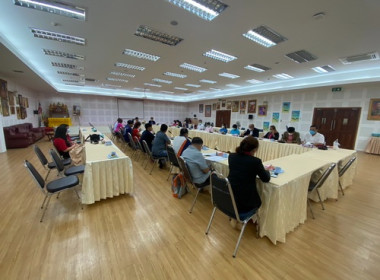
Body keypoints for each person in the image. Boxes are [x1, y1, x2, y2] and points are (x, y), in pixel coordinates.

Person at [228, 136, 271, 220]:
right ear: (254, 149)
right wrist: (267, 171)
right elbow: (266, 179)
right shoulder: (255, 161)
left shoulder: (232, 156)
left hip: (230, 196)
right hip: (247, 202)